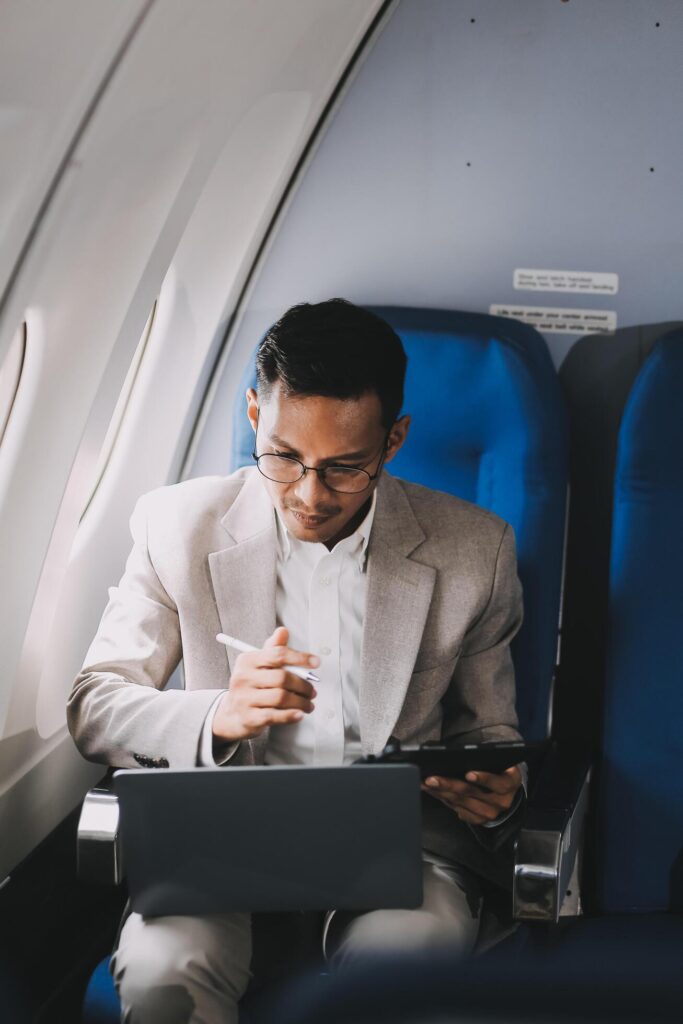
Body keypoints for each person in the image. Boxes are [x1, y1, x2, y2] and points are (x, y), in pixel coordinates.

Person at [67, 298, 525, 1024]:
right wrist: (217, 715)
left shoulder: (477, 551)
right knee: (162, 977)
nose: (309, 496)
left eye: (345, 468)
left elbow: (491, 735)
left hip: (399, 846)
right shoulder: (175, 525)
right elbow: (95, 705)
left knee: (399, 975)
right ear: (254, 414)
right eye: (283, 458)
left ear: (393, 440)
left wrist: (498, 789)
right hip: (218, 838)